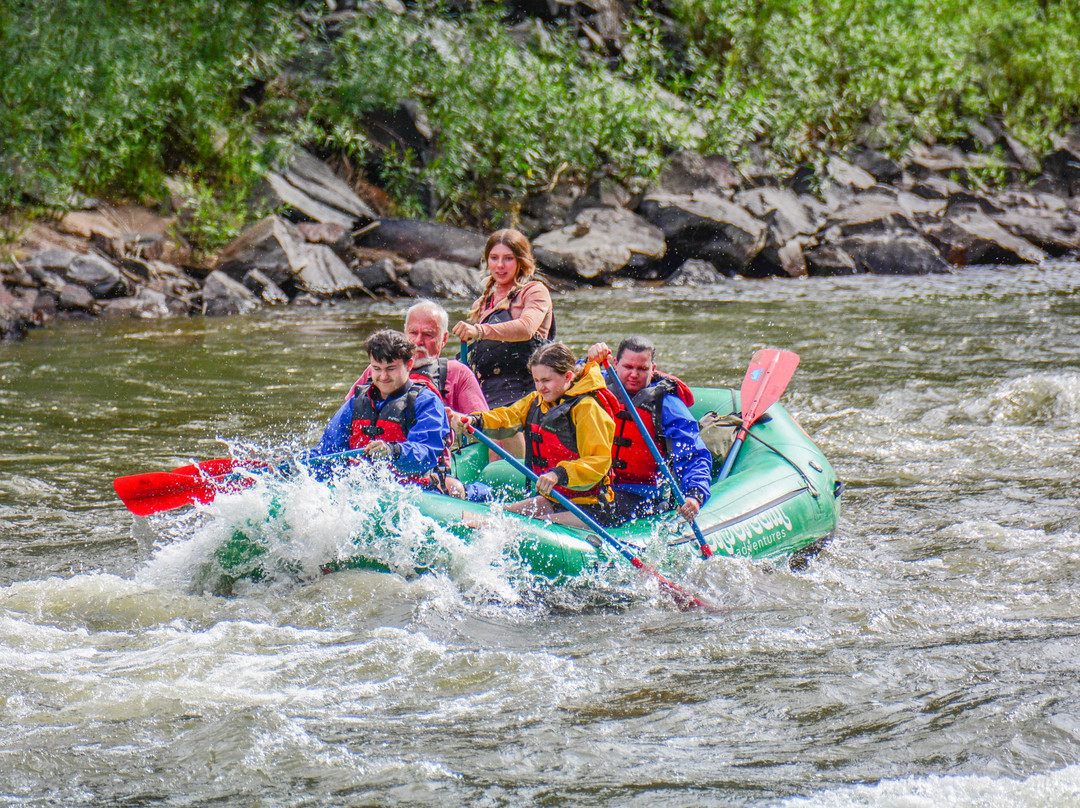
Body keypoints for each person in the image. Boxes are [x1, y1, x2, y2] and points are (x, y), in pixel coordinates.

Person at [450, 343, 617, 529]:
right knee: (502, 516)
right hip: (554, 499)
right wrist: (474, 420)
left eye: (546, 380)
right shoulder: (536, 401)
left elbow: (598, 462)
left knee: (529, 527)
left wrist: (558, 473)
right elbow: (506, 417)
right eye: (536, 380)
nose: (540, 387)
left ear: (568, 377)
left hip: (590, 507)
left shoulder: (588, 408)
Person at [586, 336, 712, 524]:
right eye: (628, 367)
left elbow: (693, 454)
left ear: (653, 369)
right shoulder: (593, 385)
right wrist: (588, 361)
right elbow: (563, 378)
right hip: (593, 485)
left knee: (598, 510)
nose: (634, 374)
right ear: (615, 364)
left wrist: (694, 494)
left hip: (640, 495)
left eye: (642, 369)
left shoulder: (667, 405)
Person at [312, 329, 451, 489]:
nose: (383, 376)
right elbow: (326, 451)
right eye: (377, 368)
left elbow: (426, 453)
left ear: (409, 365)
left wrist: (393, 451)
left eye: (391, 368)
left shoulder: (426, 402)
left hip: (412, 492)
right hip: (360, 492)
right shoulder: (356, 403)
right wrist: (290, 465)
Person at [452, 229, 555, 408]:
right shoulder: (482, 303)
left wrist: (479, 331)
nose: (500, 265)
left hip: (528, 391)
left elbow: (526, 329)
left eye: (508, 258)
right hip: (487, 393)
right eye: (494, 258)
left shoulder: (534, 291)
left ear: (521, 261)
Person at [351, 300, 488, 416]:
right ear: (405, 331)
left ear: (444, 339)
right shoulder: (378, 370)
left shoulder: (458, 373)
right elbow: (346, 413)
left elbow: (483, 428)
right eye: (413, 332)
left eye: (428, 334)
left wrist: (459, 421)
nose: (418, 341)